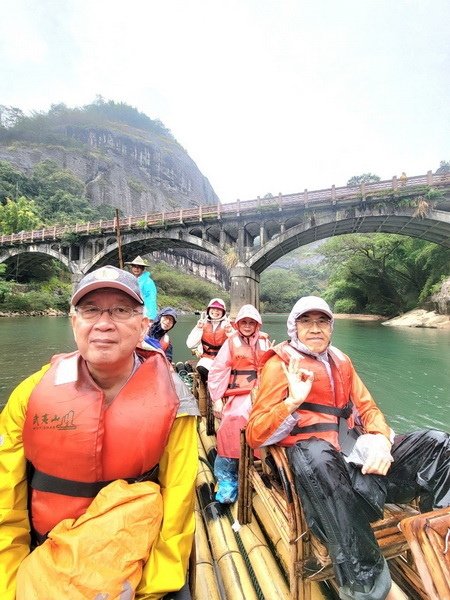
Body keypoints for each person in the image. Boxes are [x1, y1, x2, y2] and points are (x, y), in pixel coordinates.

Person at [0, 265, 199, 600]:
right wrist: (10, 587)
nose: (103, 323)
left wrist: (150, 589)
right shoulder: (30, 394)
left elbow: (178, 503)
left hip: (136, 562)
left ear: (142, 324)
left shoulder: (174, 400)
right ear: (74, 321)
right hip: (46, 556)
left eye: (121, 310)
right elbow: (6, 501)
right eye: (90, 310)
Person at [246, 296, 450, 600]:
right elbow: (255, 434)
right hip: (317, 470)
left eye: (322, 321)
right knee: (316, 453)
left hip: (356, 462)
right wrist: (292, 402)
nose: (315, 329)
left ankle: (441, 527)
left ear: (331, 326)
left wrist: (381, 439)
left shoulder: (341, 361)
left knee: (438, 442)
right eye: (306, 322)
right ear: (295, 326)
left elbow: (368, 409)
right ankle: (364, 582)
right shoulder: (280, 365)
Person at [208, 304, 271, 503]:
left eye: (251, 322)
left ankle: (269, 464)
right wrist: (217, 399)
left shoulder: (265, 341)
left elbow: (274, 368)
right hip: (239, 392)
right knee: (234, 419)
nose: (247, 325)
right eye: (243, 322)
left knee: (275, 419)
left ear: (257, 324)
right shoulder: (230, 343)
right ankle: (226, 475)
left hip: (263, 391)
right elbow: (218, 370)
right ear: (238, 324)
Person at [186, 298, 232, 384]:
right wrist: (199, 328)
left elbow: (237, 344)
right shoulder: (202, 323)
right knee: (202, 368)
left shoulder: (227, 324)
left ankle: (217, 384)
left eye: (219, 309)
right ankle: (211, 385)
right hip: (207, 358)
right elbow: (190, 344)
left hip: (224, 359)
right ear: (208, 310)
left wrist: (230, 332)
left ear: (223, 312)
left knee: (227, 372)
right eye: (213, 309)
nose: (215, 311)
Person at [126, 255, 158, 322]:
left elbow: (151, 299)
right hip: (133, 311)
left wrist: (150, 317)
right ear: (132, 268)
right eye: (134, 266)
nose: (136, 269)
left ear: (143, 269)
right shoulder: (131, 280)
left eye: (139, 267)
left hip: (144, 312)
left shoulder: (148, 282)